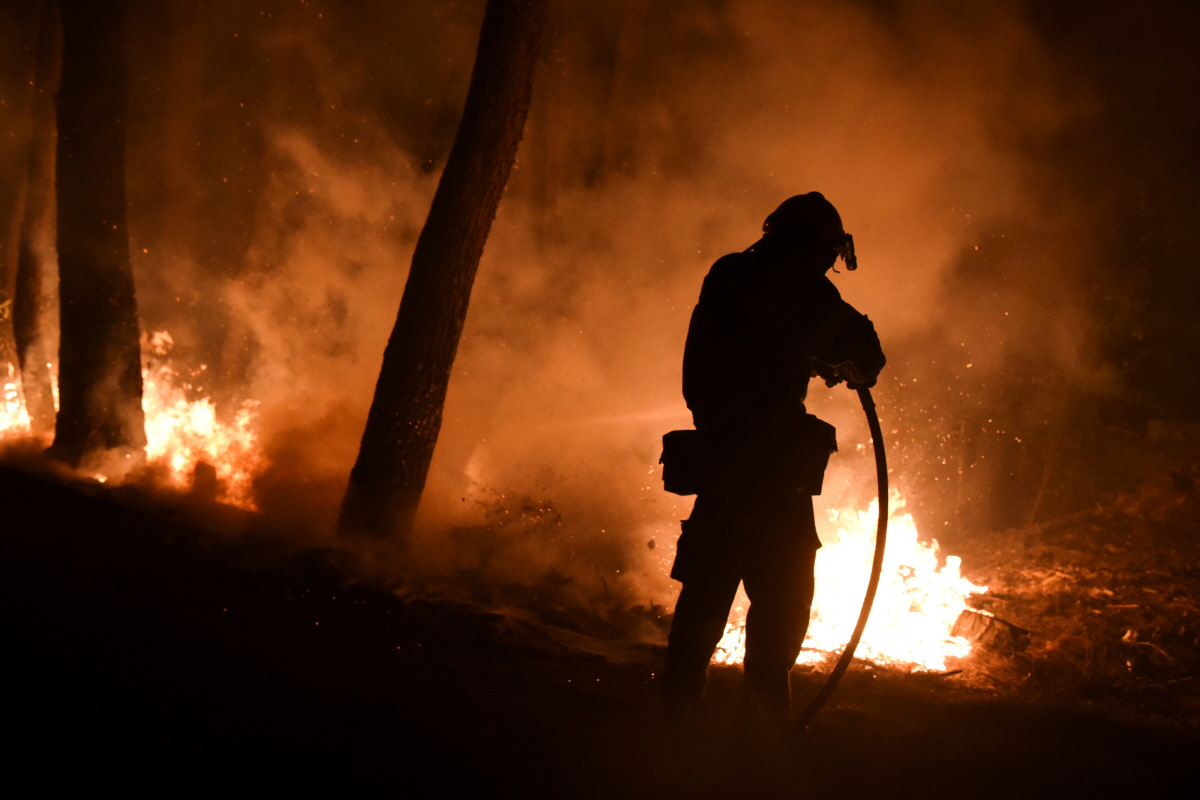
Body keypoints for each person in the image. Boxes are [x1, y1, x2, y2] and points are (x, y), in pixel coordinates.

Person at [661, 192, 885, 738]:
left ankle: (670, 723)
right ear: (810, 246)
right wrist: (839, 360)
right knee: (781, 610)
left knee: (702, 605)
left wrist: (807, 356)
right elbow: (864, 348)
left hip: (719, 465)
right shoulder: (804, 290)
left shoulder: (729, 274)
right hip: (770, 481)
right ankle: (760, 745)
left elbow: (754, 341)